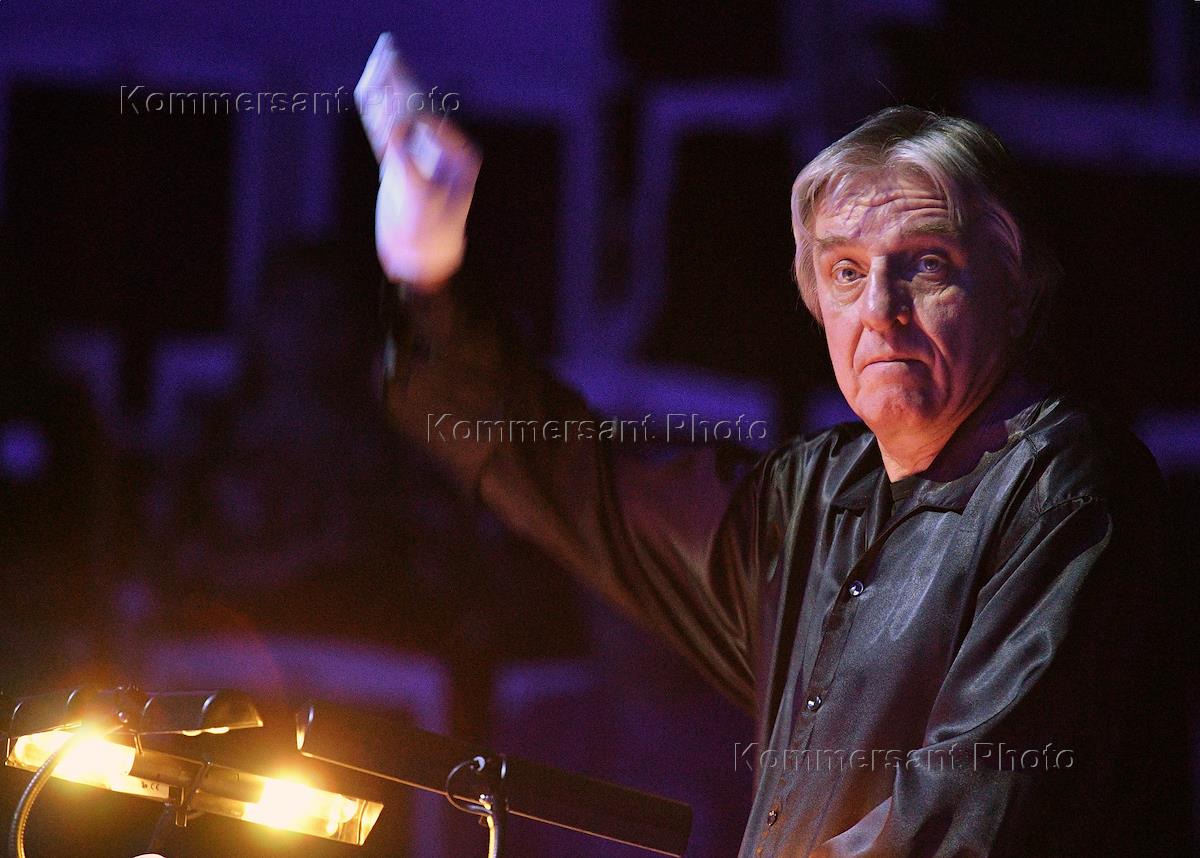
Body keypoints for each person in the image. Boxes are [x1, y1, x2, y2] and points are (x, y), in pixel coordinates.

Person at [370, 101, 1192, 855]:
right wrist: (429, 276)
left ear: (1012, 287)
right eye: (846, 273)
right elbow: (580, 484)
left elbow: (970, 811)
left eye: (926, 265)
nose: (881, 309)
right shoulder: (811, 498)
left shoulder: (1066, 488)